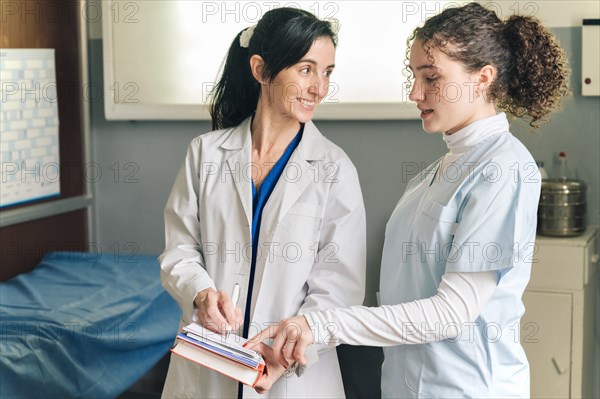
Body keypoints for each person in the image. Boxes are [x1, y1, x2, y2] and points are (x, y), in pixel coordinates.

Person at [248, 3, 570, 398]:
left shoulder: (502, 168)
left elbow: (451, 313)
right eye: (413, 76)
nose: (415, 93)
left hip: (466, 388)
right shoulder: (431, 177)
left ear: (484, 78)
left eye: (431, 77)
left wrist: (321, 325)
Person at [158, 7, 366, 399]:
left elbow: (340, 287)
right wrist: (202, 294)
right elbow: (179, 251)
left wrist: (289, 346)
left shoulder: (334, 169)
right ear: (261, 69)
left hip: (291, 376)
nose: (320, 87)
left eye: (327, 72)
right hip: (208, 364)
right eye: (306, 69)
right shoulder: (205, 154)